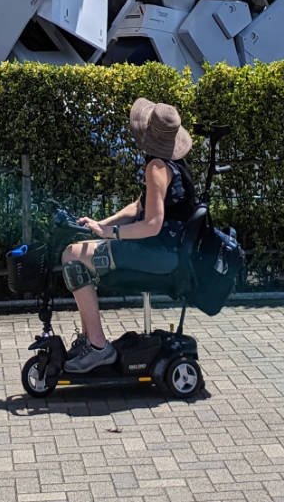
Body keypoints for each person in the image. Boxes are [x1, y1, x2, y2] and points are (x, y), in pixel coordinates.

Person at [59, 98, 195, 374]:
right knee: (78, 252)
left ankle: (98, 347)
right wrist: (99, 225)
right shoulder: (174, 164)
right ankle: (91, 342)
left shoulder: (156, 168)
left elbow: (152, 224)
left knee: (71, 256)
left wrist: (111, 233)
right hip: (167, 251)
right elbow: (139, 207)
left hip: (157, 255)